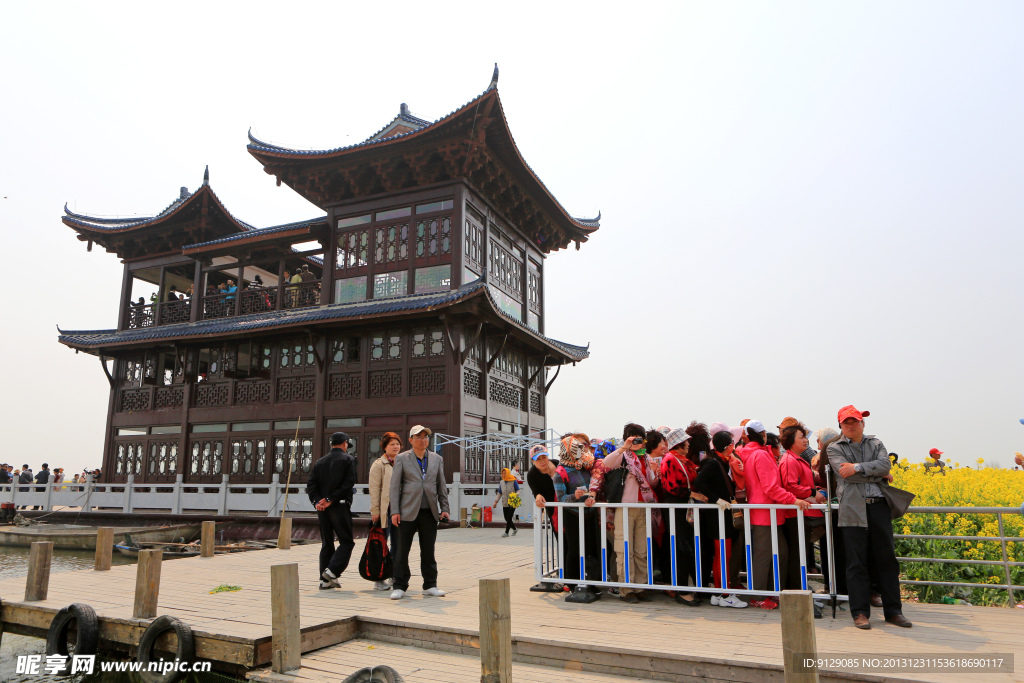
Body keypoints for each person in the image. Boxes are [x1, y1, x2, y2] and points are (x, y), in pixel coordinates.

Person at [828, 405, 912, 629]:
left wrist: (856, 467)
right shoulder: (834, 448)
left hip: (879, 507)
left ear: (863, 423)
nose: (851, 425)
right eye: (847, 422)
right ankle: (860, 613)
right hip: (852, 508)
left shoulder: (876, 443)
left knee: (887, 560)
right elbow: (843, 474)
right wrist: (877, 474)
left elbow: (885, 464)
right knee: (856, 563)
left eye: (855, 421)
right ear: (841, 426)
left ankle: (894, 611)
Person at [741, 421, 811, 608]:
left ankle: (771, 591)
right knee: (764, 555)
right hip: (765, 512)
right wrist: (793, 500)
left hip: (768, 512)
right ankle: (757, 595)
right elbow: (771, 487)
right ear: (763, 434)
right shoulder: (760, 455)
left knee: (780, 552)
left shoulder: (752, 454)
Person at [599, 423, 660, 603]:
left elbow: (651, 485)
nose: (638, 442)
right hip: (625, 507)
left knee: (641, 550)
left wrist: (655, 475)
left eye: (640, 439)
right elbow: (605, 464)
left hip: (643, 507)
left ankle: (640, 586)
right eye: (634, 438)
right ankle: (626, 589)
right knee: (624, 549)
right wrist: (624, 447)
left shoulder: (647, 458)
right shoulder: (623, 456)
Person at [389, 426, 450, 600]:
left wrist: (444, 508)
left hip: (429, 511)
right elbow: (395, 487)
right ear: (410, 440)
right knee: (401, 550)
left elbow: (441, 485)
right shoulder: (401, 458)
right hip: (406, 511)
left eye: (425, 437)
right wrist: (395, 511)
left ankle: (430, 585)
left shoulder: (437, 459)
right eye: (418, 437)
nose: (423, 440)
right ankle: (399, 585)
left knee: (428, 551)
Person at [693, 431, 747, 608]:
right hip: (718, 516)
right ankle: (724, 593)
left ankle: (718, 593)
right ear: (727, 445)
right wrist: (715, 499)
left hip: (721, 514)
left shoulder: (720, 461)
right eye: (732, 443)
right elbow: (699, 483)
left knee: (721, 555)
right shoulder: (714, 463)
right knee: (723, 555)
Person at [307, 432, 357, 590]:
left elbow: (311, 485)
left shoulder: (320, 462)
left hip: (322, 508)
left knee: (327, 542)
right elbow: (348, 483)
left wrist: (317, 501)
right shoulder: (349, 460)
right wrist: (330, 499)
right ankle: (332, 571)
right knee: (347, 541)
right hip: (339, 505)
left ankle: (324, 580)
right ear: (345, 443)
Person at [779, 425, 826, 592]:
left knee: (801, 553)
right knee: (797, 554)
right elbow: (790, 486)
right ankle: (797, 590)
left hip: (802, 512)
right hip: (795, 514)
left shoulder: (796, 458)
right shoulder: (790, 460)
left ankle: (800, 588)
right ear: (791, 441)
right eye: (801, 437)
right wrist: (813, 492)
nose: (806, 440)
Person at [659, 428, 702, 605]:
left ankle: (686, 587)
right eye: (686, 441)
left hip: (683, 507)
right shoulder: (670, 459)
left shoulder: (681, 460)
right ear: (679, 444)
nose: (689, 444)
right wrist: (692, 494)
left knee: (687, 547)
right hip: (675, 508)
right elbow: (672, 487)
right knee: (681, 548)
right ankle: (682, 590)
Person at [368, 431, 401, 591]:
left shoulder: (402, 462)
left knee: (397, 544)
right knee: (381, 545)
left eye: (397, 444)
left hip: (399, 511)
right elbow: (374, 489)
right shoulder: (379, 464)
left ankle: (393, 574)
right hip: (384, 511)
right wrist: (375, 510)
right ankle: (378, 578)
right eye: (392, 444)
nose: (396, 447)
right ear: (385, 447)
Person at [492, 468, 519, 537]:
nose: (503, 475)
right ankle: (515, 529)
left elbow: (518, 490)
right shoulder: (502, 482)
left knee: (509, 517)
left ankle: (506, 533)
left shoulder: (513, 481)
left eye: (505, 473)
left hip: (513, 502)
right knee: (506, 518)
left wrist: (515, 495)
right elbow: (499, 493)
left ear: (508, 473)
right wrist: (495, 502)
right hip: (505, 502)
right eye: (502, 473)